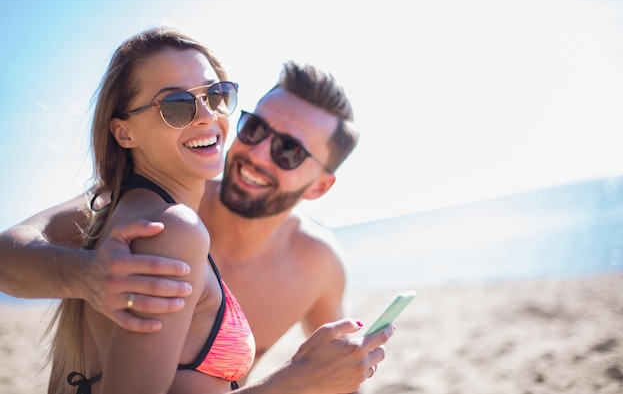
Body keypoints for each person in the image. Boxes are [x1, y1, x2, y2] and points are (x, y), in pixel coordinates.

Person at [0, 30, 392, 392]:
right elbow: (6, 256)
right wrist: (86, 277)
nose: (255, 153)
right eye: (255, 128)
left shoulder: (317, 263)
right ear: (124, 132)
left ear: (321, 186)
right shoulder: (154, 219)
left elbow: (337, 377)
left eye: (288, 151)